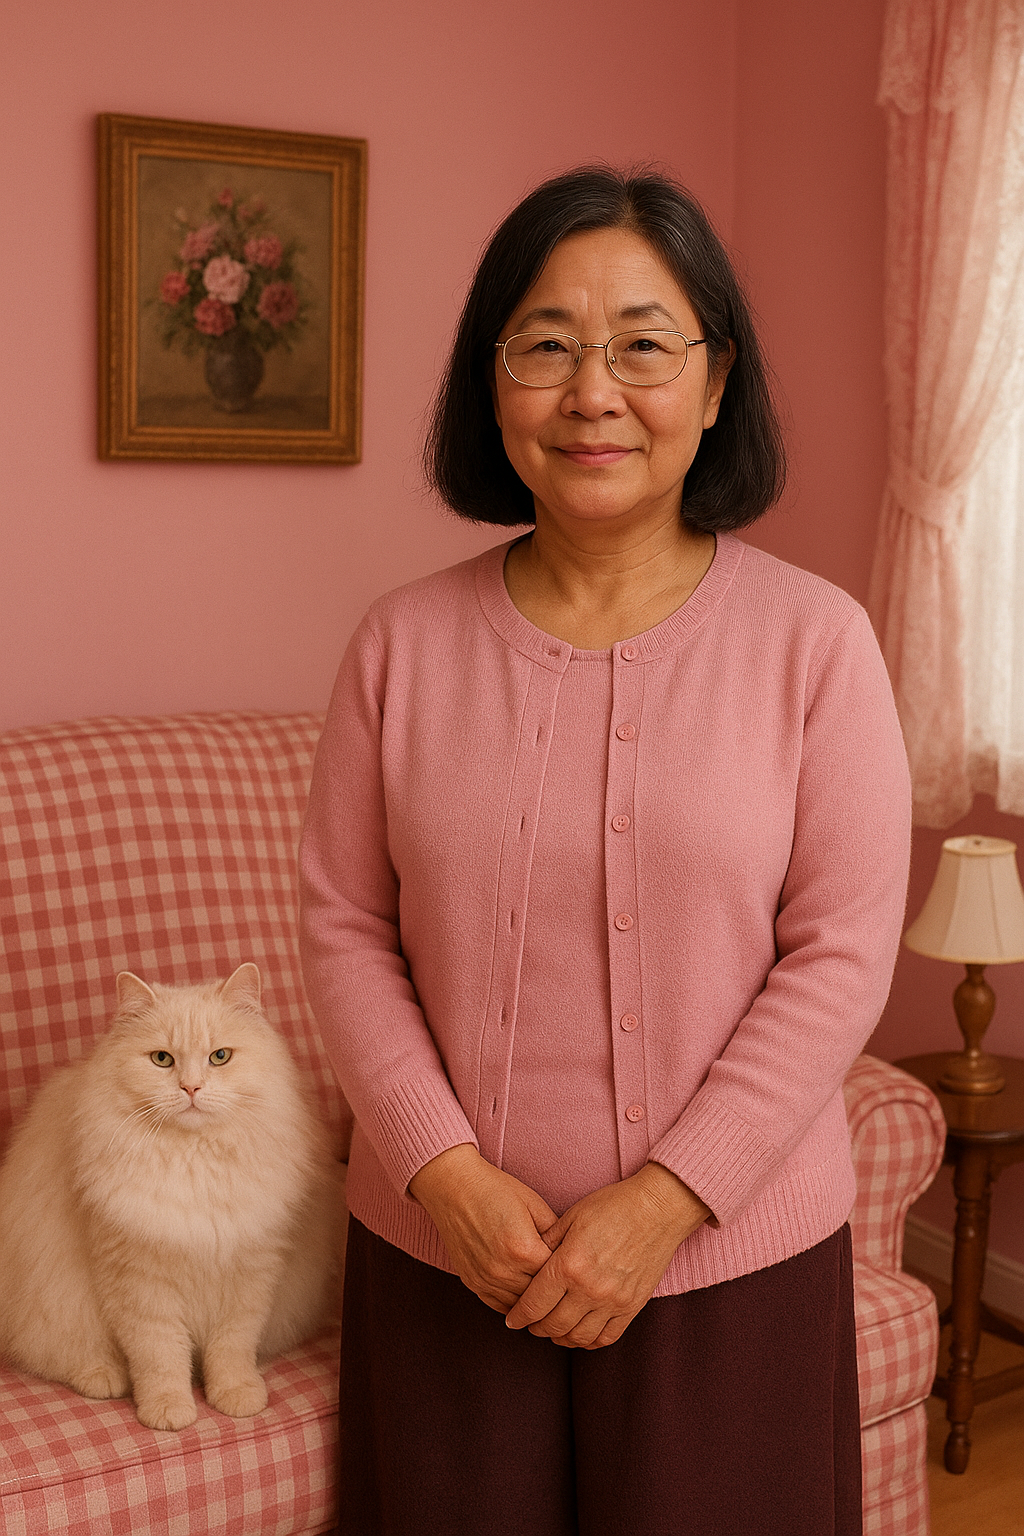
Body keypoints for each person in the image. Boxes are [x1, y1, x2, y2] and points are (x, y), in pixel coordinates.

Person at [299, 165, 911, 1536]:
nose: (593, 393)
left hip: (730, 1273)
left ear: (714, 380)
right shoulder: (401, 644)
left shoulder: (817, 644)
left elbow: (841, 952)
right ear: (491, 381)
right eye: (547, 347)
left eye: (643, 344)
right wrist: (443, 1173)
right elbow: (345, 927)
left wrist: (664, 1201)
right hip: (449, 1263)